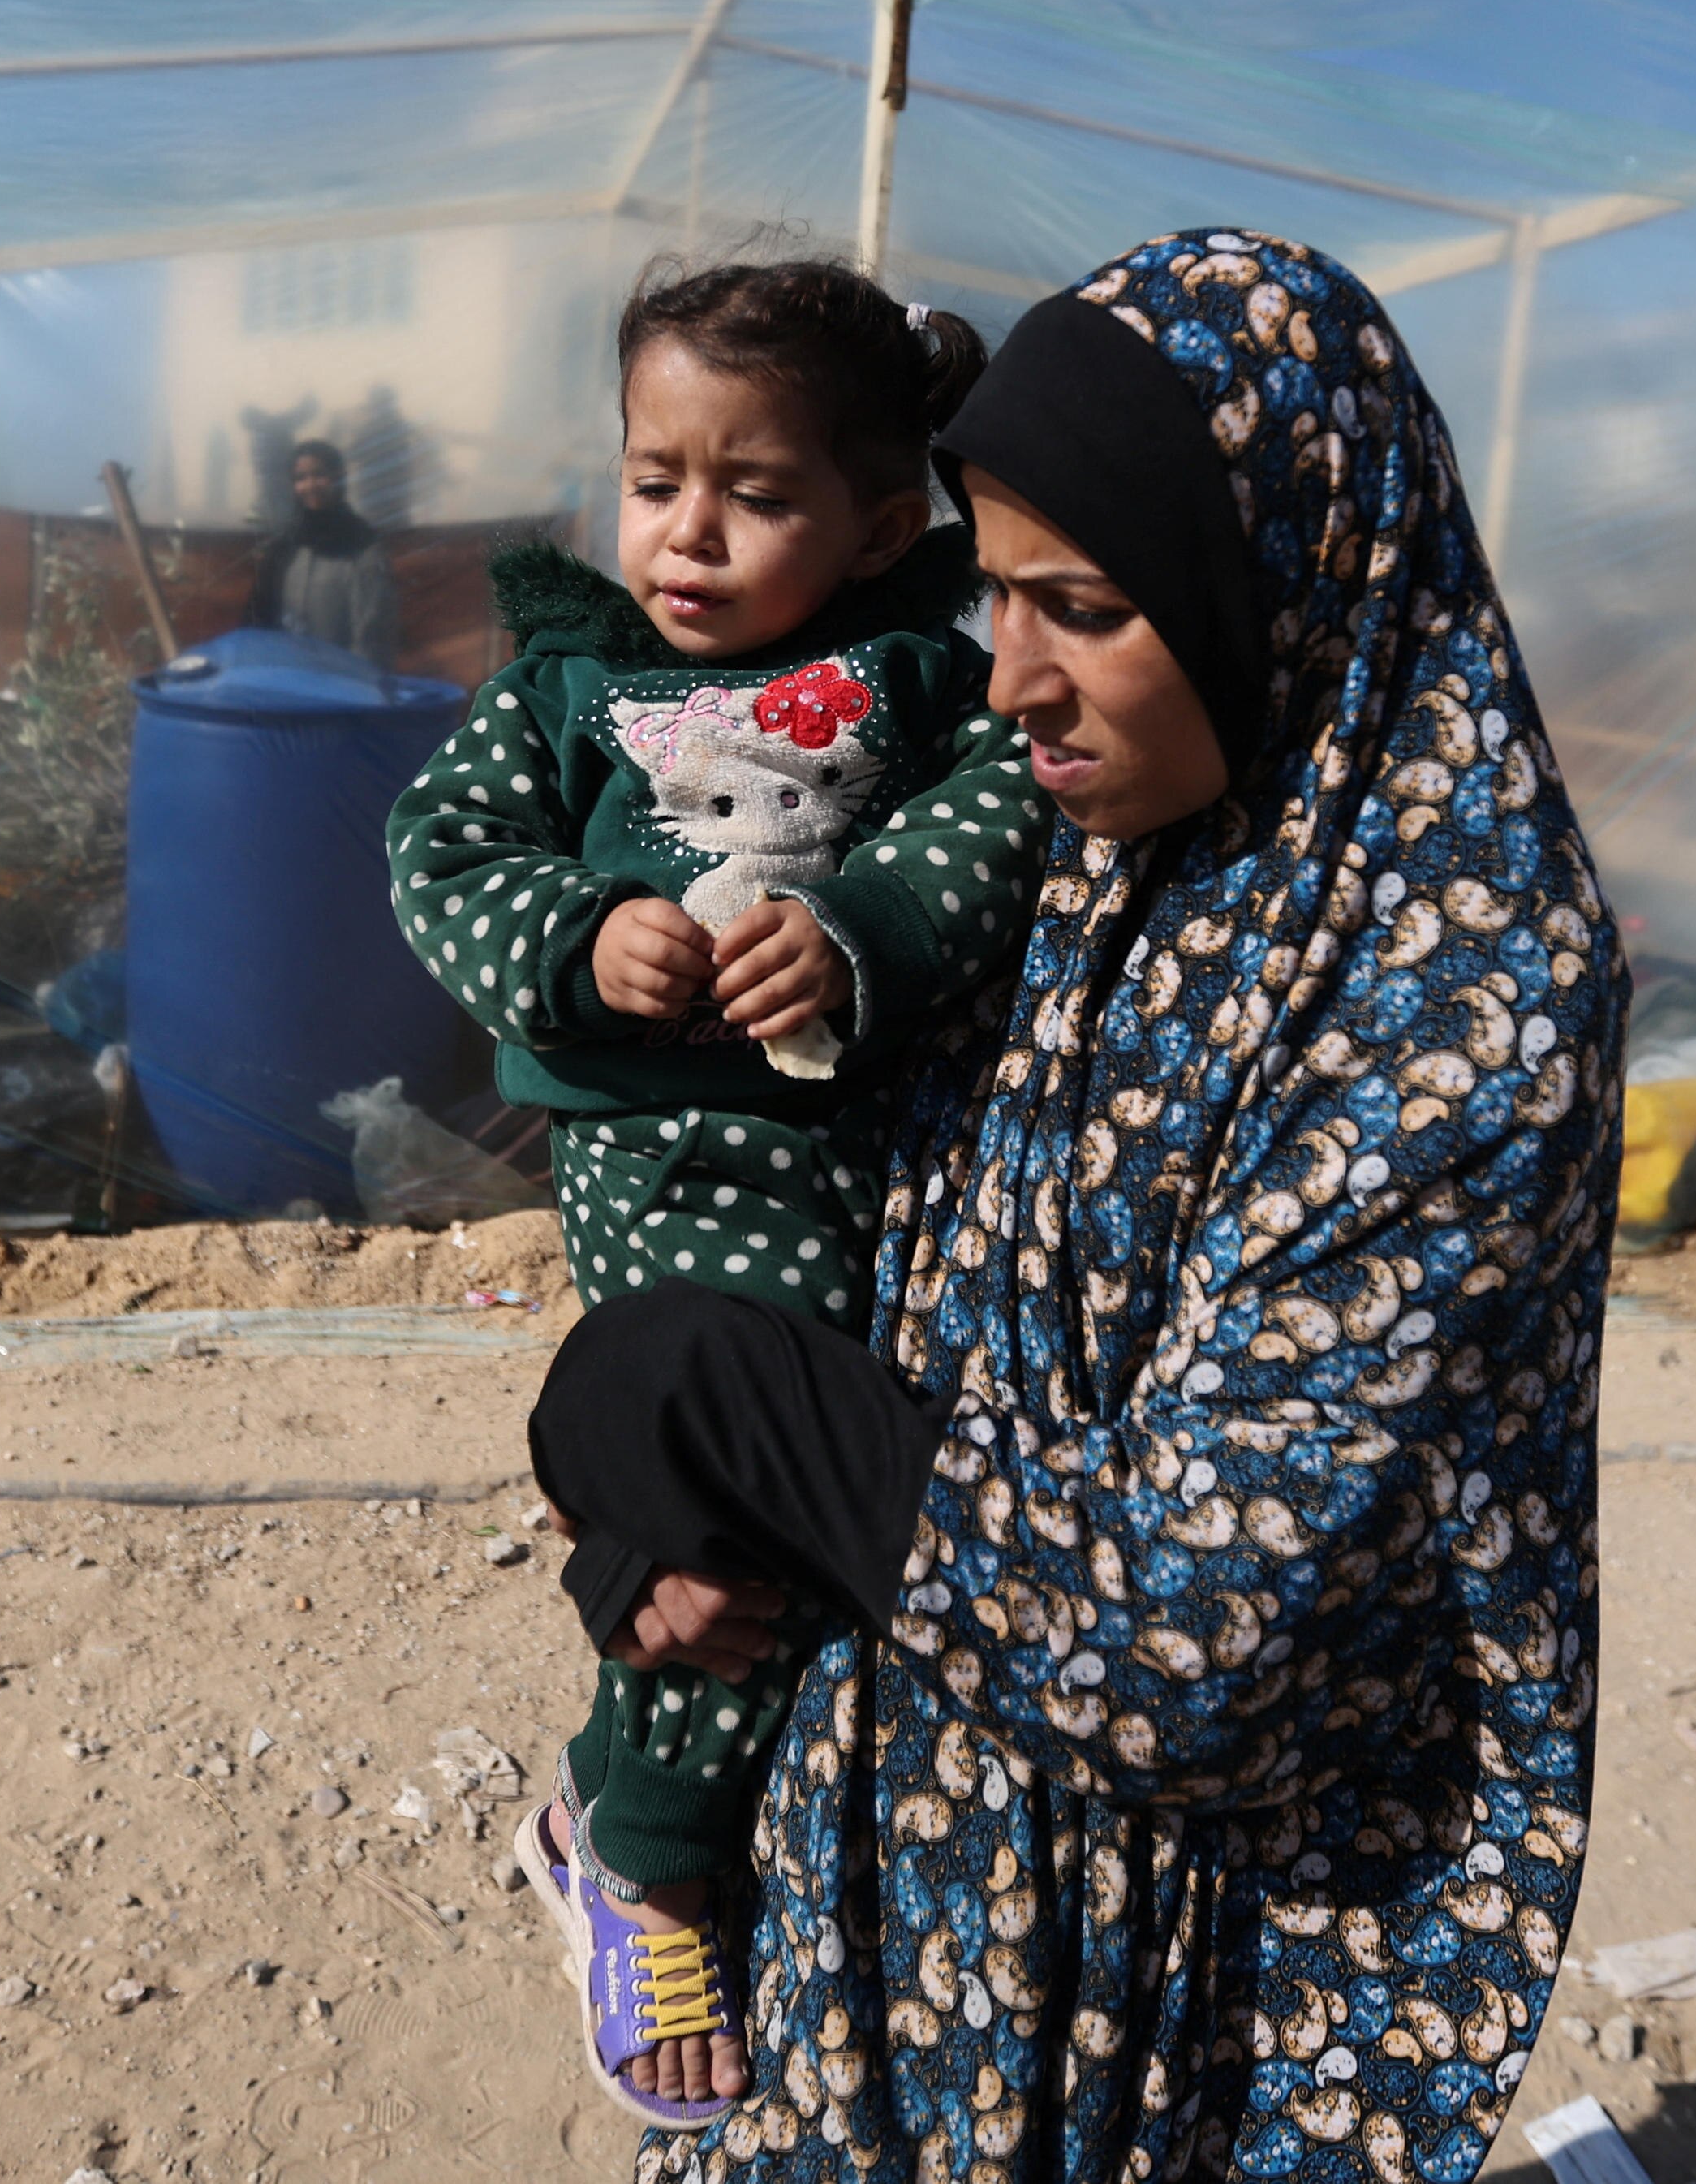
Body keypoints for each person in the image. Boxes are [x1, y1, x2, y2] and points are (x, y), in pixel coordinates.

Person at [527, 230, 1627, 2175]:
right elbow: (840, 1223)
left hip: (1149, 1966)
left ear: (1275, 584)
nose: (1009, 677)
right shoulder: (1082, 831)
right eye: (996, 592)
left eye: (1086, 606)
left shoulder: (1463, 996)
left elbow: (1192, 1637)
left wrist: (740, 1407)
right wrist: (662, 1518)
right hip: (874, 1834)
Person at [381, 258, 1032, 2126]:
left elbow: (980, 835)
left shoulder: (924, 672)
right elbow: (440, 846)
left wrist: (853, 927)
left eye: (754, 493)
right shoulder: (572, 676)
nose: (686, 530)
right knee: (731, 1472)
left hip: (871, 1144)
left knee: (863, 1478)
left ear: (877, 519)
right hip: (677, 1154)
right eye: (655, 475)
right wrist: (586, 938)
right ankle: (641, 1840)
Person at [247, 436, 399, 664]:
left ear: (338, 477)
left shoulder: (361, 546)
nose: (310, 485)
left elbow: (369, 637)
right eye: (300, 478)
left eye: (320, 474)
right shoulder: (285, 546)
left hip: (342, 685)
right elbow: (261, 621)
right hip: (285, 678)